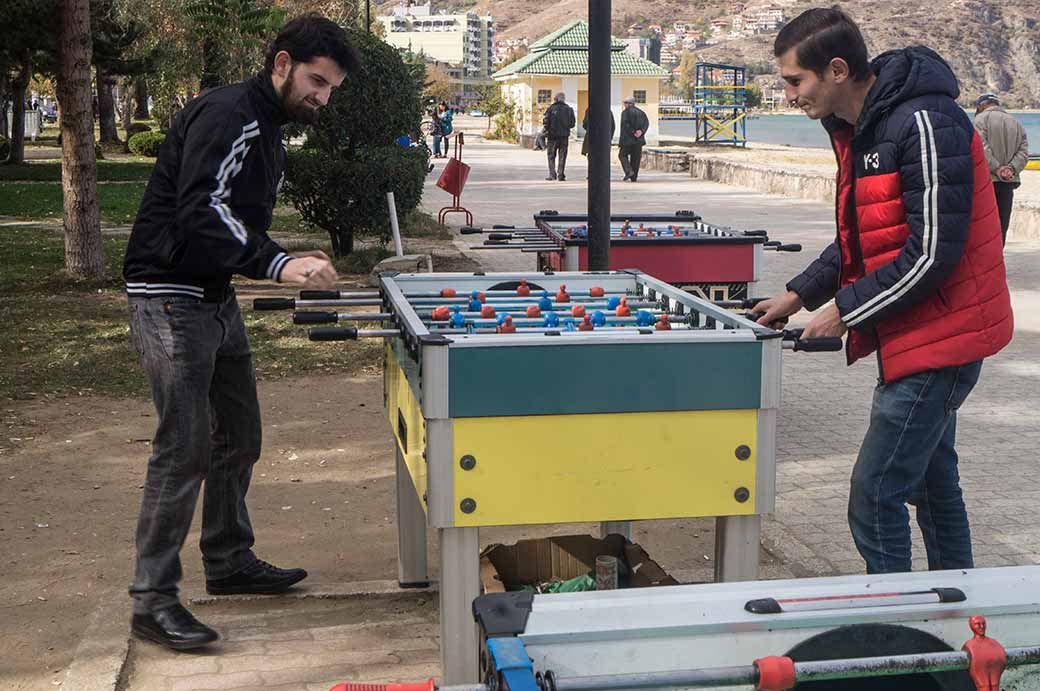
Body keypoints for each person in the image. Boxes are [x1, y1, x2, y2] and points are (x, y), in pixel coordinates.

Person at [121, 13, 360, 650]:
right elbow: (201, 210)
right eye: (316, 80)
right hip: (171, 298)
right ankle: (152, 600)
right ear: (281, 64)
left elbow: (231, 217)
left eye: (331, 87)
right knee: (184, 448)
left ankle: (227, 560)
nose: (322, 97)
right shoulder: (231, 115)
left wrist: (284, 256)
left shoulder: (268, 128)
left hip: (214, 297)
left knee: (239, 435)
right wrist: (278, 264)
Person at [754, 7, 1013, 575]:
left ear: (838, 69)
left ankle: (895, 624)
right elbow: (862, 237)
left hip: (942, 339)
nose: (789, 95)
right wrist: (797, 296)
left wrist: (842, 312)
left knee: (874, 494)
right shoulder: (858, 127)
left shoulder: (923, 121)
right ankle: (958, 611)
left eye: (795, 81)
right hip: (914, 334)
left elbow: (930, 255)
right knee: (934, 487)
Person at [973, 92, 1029, 245]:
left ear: (981, 105)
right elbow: (1024, 153)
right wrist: (1010, 169)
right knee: (1001, 227)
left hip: (986, 182)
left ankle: (984, 265)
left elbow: (980, 149)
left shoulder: (979, 121)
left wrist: (997, 169)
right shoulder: (1015, 123)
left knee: (982, 228)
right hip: (1007, 182)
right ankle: (999, 262)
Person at [542, 92, 575, 181]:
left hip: (552, 137)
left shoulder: (550, 109)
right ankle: (561, 174)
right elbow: (572, 124)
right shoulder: (569, 109)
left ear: (555, 99)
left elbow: (545, 121)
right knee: (562, 156)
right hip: (564, 137)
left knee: (551, 156)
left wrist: (547, 130)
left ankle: (552, 174)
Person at [618, 96, 649, 181]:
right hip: (639, 140)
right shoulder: (642, 113)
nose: (624, 105)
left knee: (622, 155)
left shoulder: (625, 113)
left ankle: (629, 171)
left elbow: (625, 124)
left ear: (629, 104)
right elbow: (646, 124)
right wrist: (641, 132)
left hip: (628, 139)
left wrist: (633, 132)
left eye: (625, 103)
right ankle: (634, 177)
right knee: (636, 158)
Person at [581, 106, 615, 180]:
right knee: (603, 156)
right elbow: (612, 125)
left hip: (592, 137)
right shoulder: (607, 110)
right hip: (604, 138)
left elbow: (585, 124)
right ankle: (603, 173)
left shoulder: (589, 109)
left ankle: (592, 173)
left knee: (591, 156)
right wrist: (609, 137)